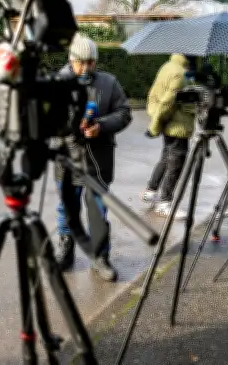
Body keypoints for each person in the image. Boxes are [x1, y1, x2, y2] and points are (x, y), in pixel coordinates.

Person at [53, 35, 132, 282]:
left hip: (99, 160)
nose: (86, 68)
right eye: (81, 63)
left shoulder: (109, 83)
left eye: (91, 62)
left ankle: (100, 257)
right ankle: (66, 250)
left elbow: (124, 113)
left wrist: (101, 126)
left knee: (98, 209)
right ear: (71, 60)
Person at [141, 54, 196, 219]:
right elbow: (167, 102)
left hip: (170, 124)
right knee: (175, 164)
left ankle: (151, 190)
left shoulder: (168, 66)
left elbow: (156, 95)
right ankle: (164, 203)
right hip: (177, 126)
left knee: (166, 158)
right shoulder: (180, 73)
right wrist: (154, 126)